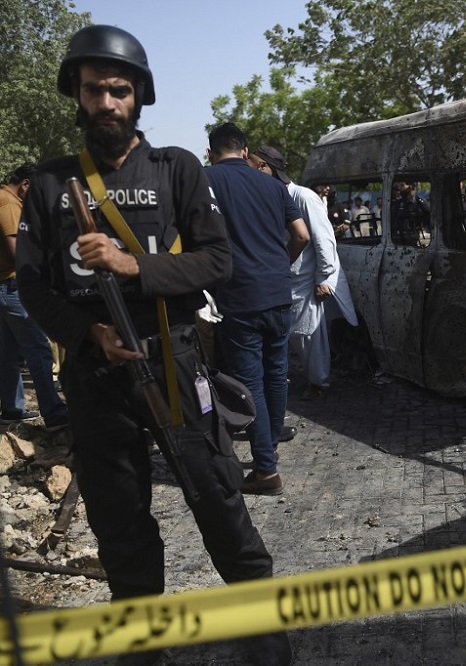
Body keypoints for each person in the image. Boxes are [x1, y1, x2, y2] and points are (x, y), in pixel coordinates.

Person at [16, 25, 291, 663]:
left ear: (139, 96)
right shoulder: (54, 184)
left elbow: (218, 262)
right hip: (95, 375)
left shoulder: (177, 170)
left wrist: (135, 266)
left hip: (174, 366)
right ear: (78, 98)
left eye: (119, 90)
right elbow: (32, 286)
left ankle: (266, 641)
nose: (106, 103)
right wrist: (86, 333)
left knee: (220, 503)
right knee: (120, 526)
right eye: (94, 92)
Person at [207, 125, 309, 497]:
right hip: (279, 292)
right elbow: (301, 235)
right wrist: (279, 266)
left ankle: (266, 470)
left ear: (210, 152)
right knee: (276, 374)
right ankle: (269, 444)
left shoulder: (206, 181)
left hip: (239, 296)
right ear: (246, 150)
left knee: (251, 384)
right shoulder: (274, 185)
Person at [253, 144, 357, 400]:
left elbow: (324, 240)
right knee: (295, 336)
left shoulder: (303, 197)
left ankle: (319, 383)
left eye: (253, 167)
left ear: (266, 167)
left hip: (307, 280)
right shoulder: (273, 196)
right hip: (286, 280)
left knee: (311, 336)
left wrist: (324, 278)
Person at [0, 164, 69, 429]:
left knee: (7, 352)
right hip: (11, 287)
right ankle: (54, 413)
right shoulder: (8, 203)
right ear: (26, 184)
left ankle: (12, 409)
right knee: (39, 349)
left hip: (4, 288)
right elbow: (17, 251)